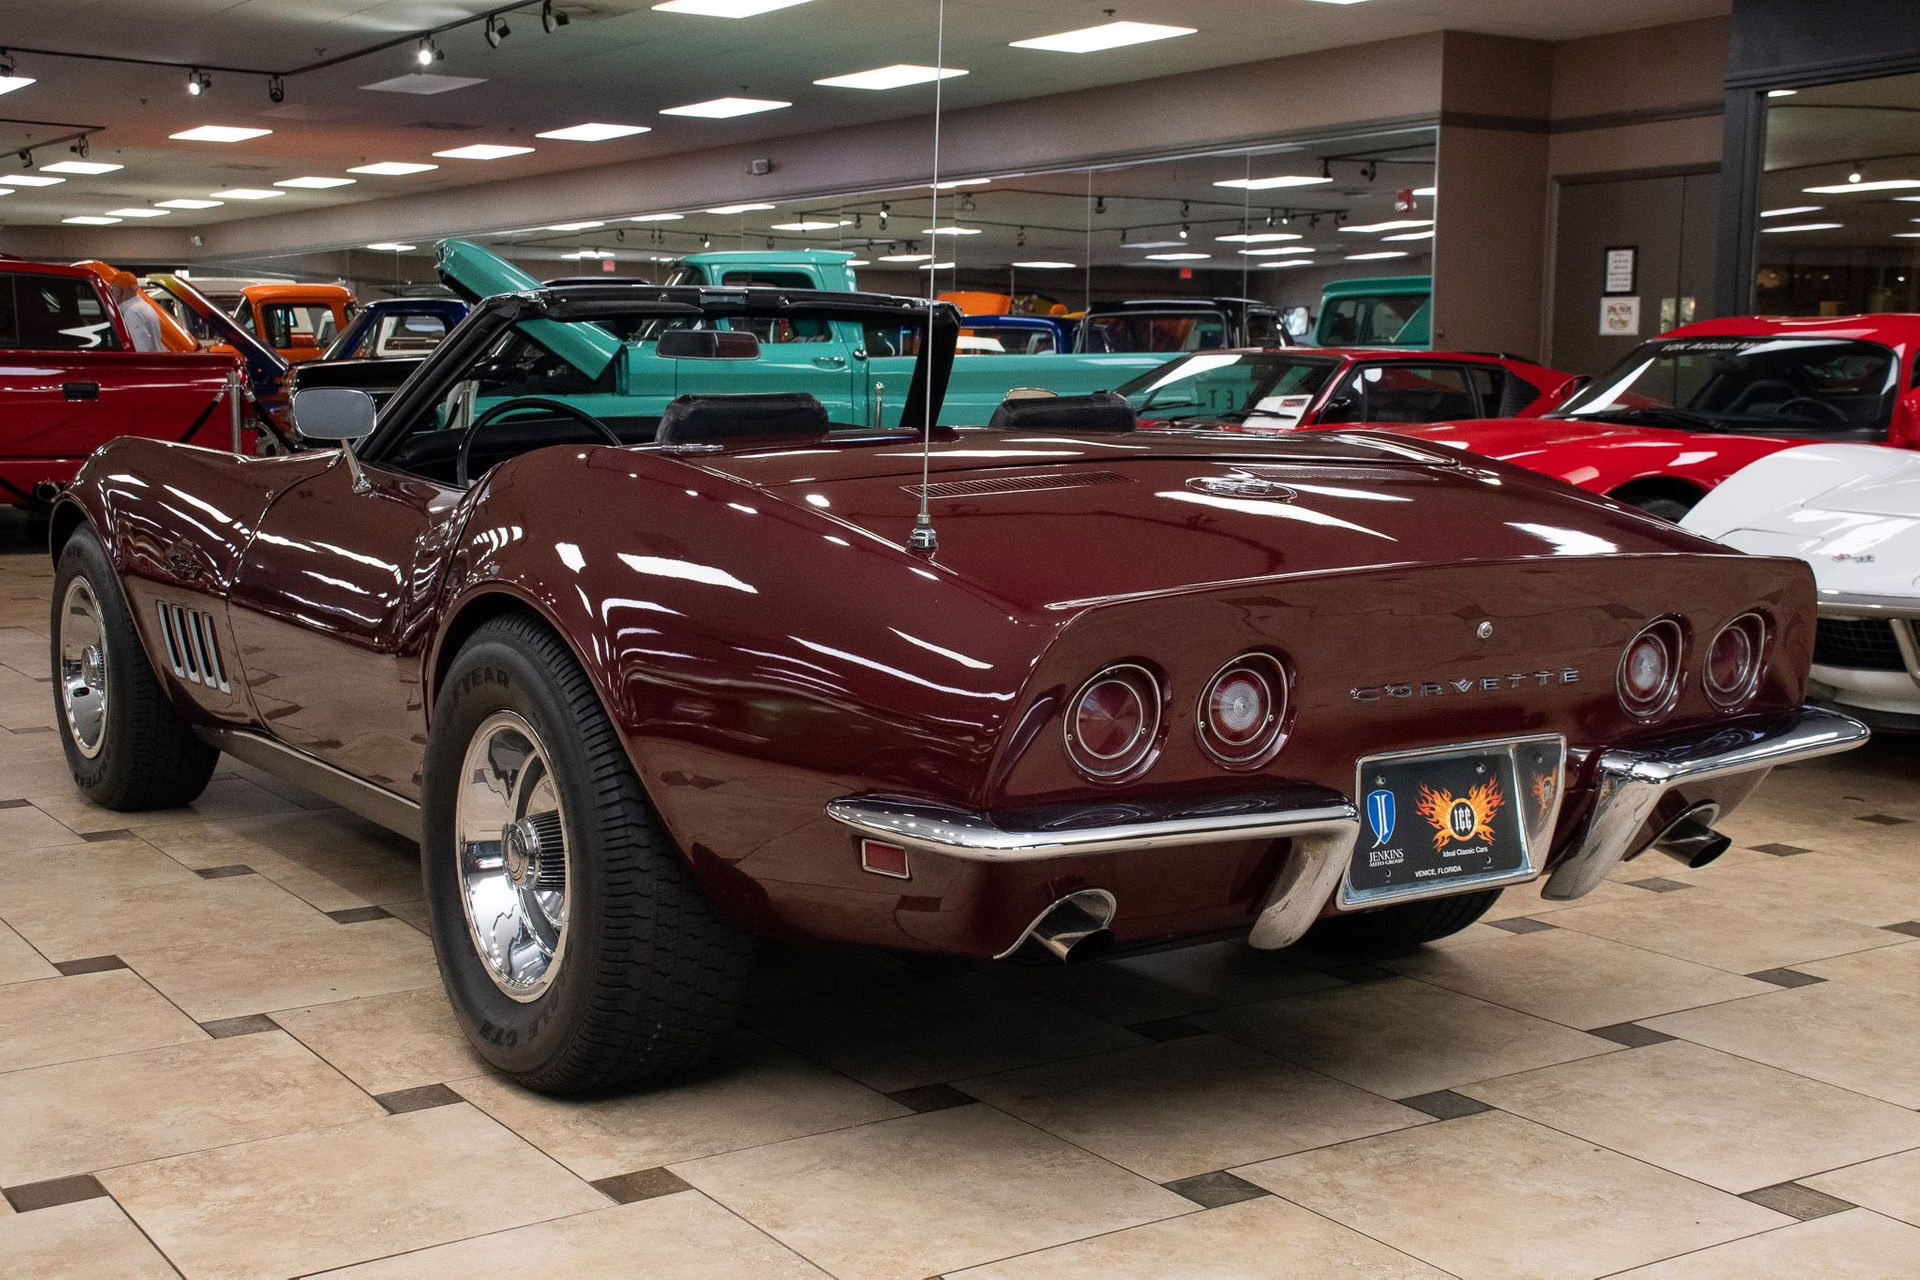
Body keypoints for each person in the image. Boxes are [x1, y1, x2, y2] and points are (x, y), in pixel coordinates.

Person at [109, 272, 166, 352]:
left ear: (119, 290)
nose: (111, 293)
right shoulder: (145, 307)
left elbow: (140, 349)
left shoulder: (132, 313)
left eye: (112, 289)